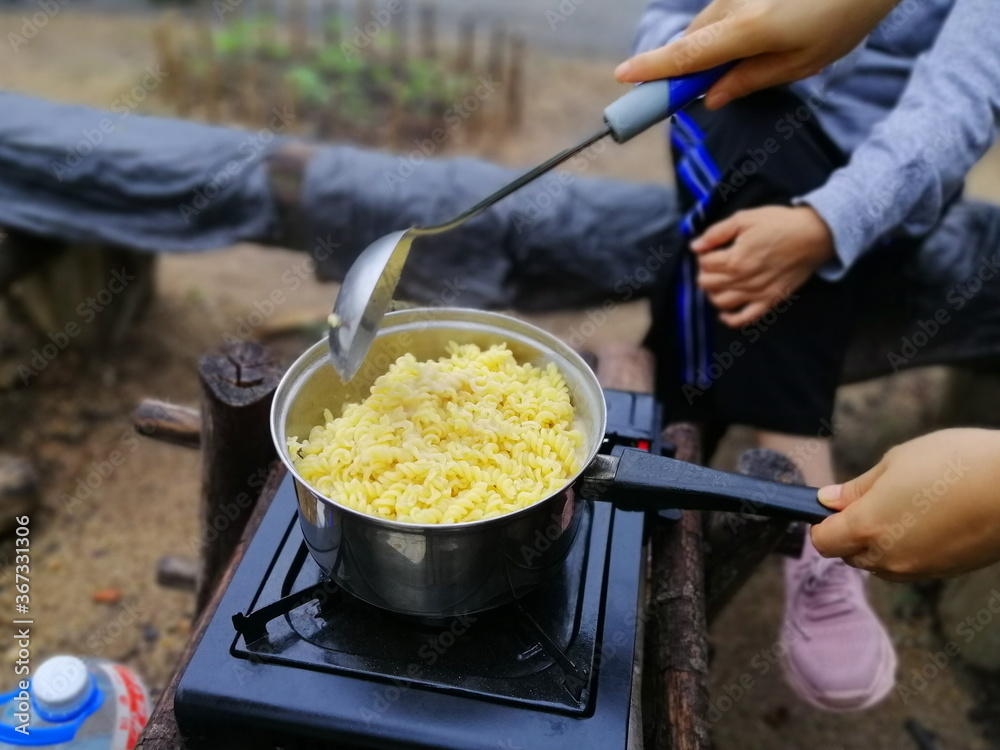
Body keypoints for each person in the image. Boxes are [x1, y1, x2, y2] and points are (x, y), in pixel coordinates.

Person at [619, 0, 999, 712]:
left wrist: (826, 223)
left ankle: (665, 460)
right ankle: (811, 512)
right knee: (750, 156)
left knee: (710, 272)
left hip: (886, 178)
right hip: (734, 115)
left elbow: (961, 97)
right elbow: (669, 22)